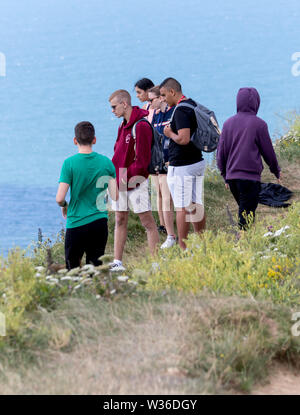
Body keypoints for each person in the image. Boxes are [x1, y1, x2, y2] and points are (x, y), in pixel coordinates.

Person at [109, 89, 159, 271]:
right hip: (120, 180)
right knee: (120, 220)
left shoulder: (142, 126)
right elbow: (117, 154)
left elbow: (142, 162)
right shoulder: (122, 126)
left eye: (114, 107)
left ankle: (155, 263)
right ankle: (117, 262)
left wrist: (125, 180)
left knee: (147, 222)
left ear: (124, 104)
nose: (112, 110)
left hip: (136, 181)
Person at [56, 121, 118, 270]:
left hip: (76, 223)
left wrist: (65, 206)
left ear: (75, 140)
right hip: (99, 223)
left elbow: (59, 198)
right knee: (95, 269)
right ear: (94, 140)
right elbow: (116, 196)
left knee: (73, 270)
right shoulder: (107, 163)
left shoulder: (69, 163)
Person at [217, 87, 281, 229]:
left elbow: (220, 153)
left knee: (246, 211)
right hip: (250, 179)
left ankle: (251, 239)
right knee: (246, 214)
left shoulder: (227, 124)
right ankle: (244, 245)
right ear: (256, 103)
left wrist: (225, 175)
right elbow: (268, 152)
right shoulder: (259, 124)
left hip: (232, 178)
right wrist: (276, 170)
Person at [159, 77, 206, 250]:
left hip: (182, 165)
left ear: (172, 92)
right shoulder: (192, 104)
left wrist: (169, 133)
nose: (163, 99)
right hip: (196, 160)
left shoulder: (180, 111)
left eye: (164, 95)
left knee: (182, 207)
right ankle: (202, 242)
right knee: (196, 203)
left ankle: (183, 248)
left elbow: (184, 139)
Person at [148, 85, 176, 249]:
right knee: (160, 196)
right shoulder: (156, 116)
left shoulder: (172, 113)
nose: (150, 103)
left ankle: (170, 234)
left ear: (161, 98)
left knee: (167, 198)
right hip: (158, 161)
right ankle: (165, 228)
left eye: (152, 100)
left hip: (170, 161)